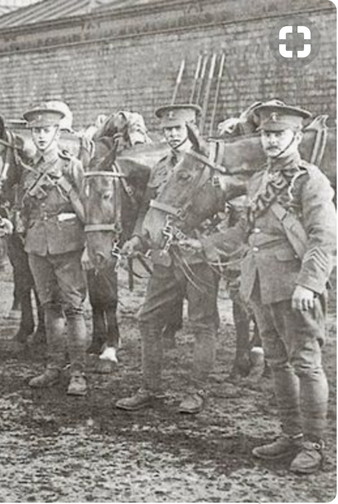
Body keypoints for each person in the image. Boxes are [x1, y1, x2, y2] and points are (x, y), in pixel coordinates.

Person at [180, 103, 336, 474]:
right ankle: (291, 435)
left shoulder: (310, 180)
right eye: (266, 134)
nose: (270, 140)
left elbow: (324, 237)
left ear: (296, 137)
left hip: (295, 287)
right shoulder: (261, 180)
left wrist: (309, 284)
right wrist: (204, 245)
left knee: (306, 364)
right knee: (278, 363)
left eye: (278, 134)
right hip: (261, 285)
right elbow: (244, 233)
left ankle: (315, 444)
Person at [116, 104, 219, 413]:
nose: (172, 135)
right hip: (164, 257)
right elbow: (149, 209)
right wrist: (138, 238)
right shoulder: (161, 166)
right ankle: (150, 388)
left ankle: (196, 391)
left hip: (197, 258)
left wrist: (207, 242)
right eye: (167, 130)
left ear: (191, 131)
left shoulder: (208, 164)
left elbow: (227, 211)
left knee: (202, 325)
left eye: (178, 129)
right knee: (148, 320)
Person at [5, 102, 90, 396]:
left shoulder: (71, 166)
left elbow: (87, 210)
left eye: (46, 130)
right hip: (37, 246)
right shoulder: (28, 171)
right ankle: (54, 367)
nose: (41, 136)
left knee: (74, 308)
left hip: (67, 246)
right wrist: (15, 224)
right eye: (36, 131)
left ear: (58, 132)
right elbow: (25, 212)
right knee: (49, 307)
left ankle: (78, 373)